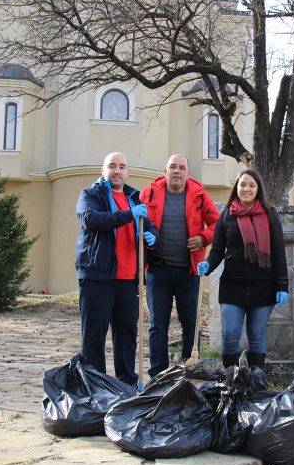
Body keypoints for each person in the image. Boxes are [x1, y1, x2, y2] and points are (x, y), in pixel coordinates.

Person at [75, 152, 158, 386]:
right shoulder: (91, 195)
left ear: (127, 172)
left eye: (122, 167)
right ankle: (95, 384)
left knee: (126, 336)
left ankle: (126, 383)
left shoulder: (134, 199)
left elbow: (150, 227)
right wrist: (128, 216)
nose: (117, 171)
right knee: (94, 337)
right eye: (112, 166)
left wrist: (152, 235)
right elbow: (91, 220)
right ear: (103, 171)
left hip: (127, 280)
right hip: (97, 277)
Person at [197, 169, 289, 369]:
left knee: (256, 335)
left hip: (263, 285)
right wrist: (208, 264)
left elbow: (279, 252)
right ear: (236, 187)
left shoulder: (270, 213)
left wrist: (282, 284)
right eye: (243, 185)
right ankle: (231, 380)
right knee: (230, 334)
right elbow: (218, 249)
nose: (246, 189)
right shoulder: (226, 215)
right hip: (233, 285)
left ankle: (255, 379)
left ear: (258, 189)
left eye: (251, 185)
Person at [140, 154, 219, 377]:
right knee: (158, 325)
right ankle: (158, 374)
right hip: (157, 269)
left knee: (190, 323)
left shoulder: (200, 195)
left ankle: (189, 370)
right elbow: (140, 222)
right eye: (172, 167)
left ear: (188, 173)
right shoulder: (150, 193)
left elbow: (217, 223)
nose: (177, 171)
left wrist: (204, 238)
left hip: (189, 270)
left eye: (181, 167)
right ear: (165, 171)